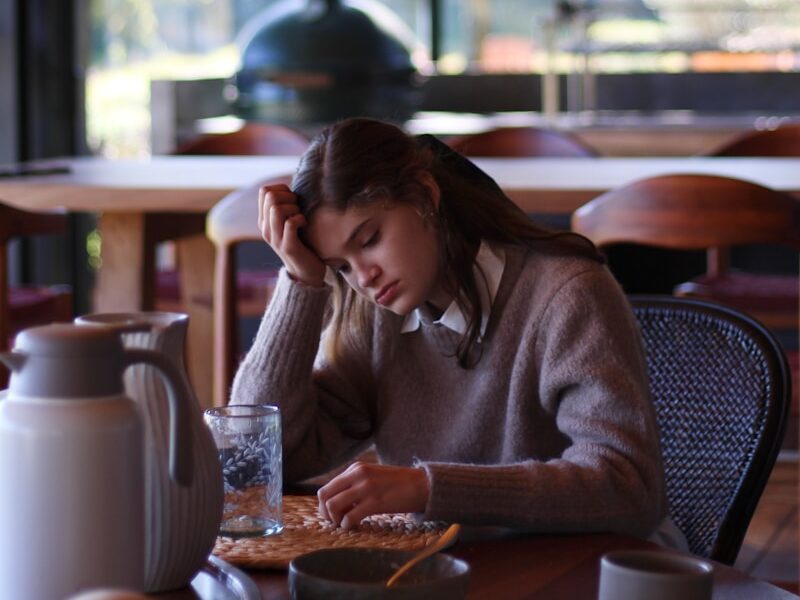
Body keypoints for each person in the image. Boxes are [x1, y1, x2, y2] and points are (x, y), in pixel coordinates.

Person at [232, 117, 674, 543]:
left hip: (577, 573)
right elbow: (260, 459)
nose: (363, 277)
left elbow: (628, 487)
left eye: (369, 240)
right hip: (448, 571)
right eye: (340, 267)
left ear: (426, 194)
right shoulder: (376, 319)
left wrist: (427, 488)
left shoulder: (566, 295)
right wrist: (301, 281)